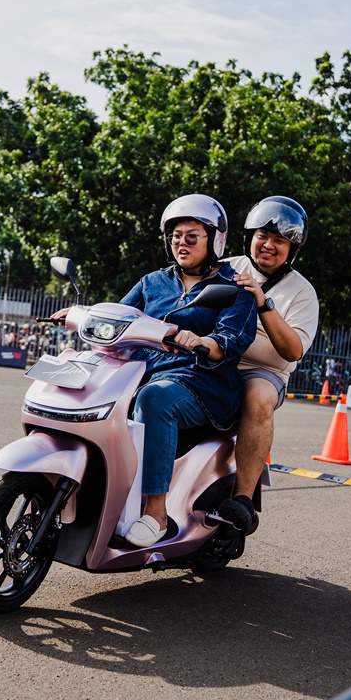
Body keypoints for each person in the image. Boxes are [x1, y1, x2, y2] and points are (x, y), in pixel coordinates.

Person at [54, 194, 256, 549]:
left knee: (154, 399)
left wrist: (201, 341)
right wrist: (81, 312)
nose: (182, 243)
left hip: (202, 382)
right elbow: (118, 316)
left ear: (215, 239)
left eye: (192, 236)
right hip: (149, 371)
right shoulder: (153, 282)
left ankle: (157, 513)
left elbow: (229, 341)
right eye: (176, 236)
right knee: (81, 383)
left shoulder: (234, 288)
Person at [223, 196, 319, 534]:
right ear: (249, 236)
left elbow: (293, 351)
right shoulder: (225, 267)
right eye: (262, 236)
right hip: (215, 358)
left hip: (262, 373)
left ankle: (243, 499)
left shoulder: (302, 293)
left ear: (291, 249)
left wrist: (264, 304)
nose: (268, 245)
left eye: (279, 240)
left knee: (259, 397)